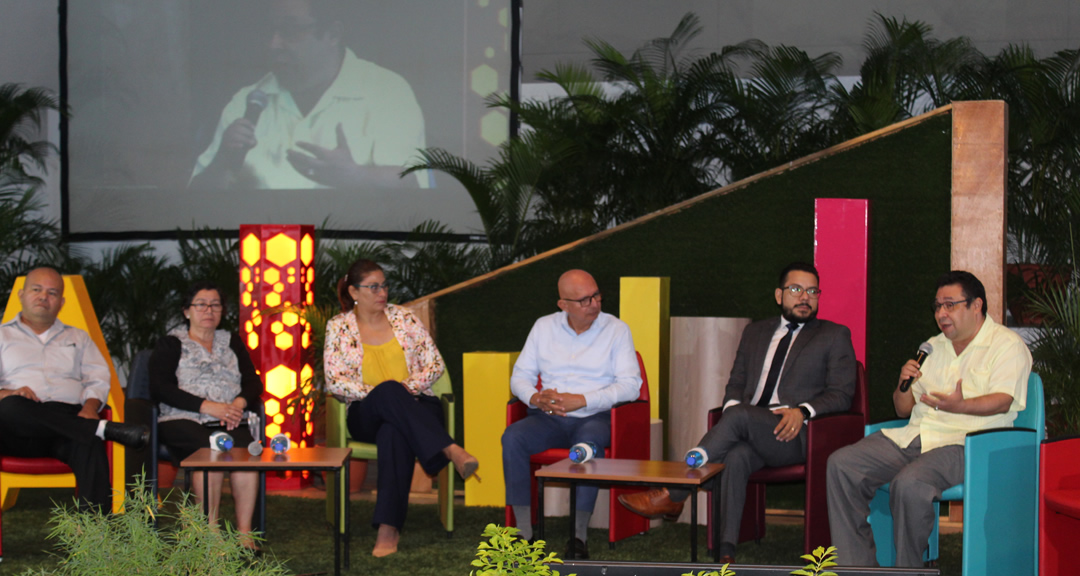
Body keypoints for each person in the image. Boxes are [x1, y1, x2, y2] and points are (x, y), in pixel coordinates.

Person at [618, 262, 856, 563]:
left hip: (795, 434)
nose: (804, 297)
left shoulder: (834, 335)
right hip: (750, 425)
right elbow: (736, 384)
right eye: (796, 289)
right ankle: (726, 551)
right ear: (779, 295)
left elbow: (842, 394)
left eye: (812, 291)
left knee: (741, 416)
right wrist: (732, 412)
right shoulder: (755, 332)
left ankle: (676, 493)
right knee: (736, 455)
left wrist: (802, 411)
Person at [827, 270, 1032, 567]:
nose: (941, 313)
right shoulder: (933, 346)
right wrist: (903, 382)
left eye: (950, 304)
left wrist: (961, 407)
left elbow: (1003, 401)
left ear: (976, 305)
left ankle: (909, 571)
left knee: (909, 484)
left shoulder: (1007, 345)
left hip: (967, 443)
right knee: (842, 464)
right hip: (915, 436)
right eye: (937, 306)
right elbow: (902, 409)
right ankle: (857, 569)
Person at [324, 259, 478, 558]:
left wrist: (402, 392)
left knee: (393, 430)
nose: (382, 292)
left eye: (384, 285)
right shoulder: (338, 326)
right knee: (388, 392)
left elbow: (434, 365)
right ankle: (449, 449)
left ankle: (388, 528)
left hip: (418, 405)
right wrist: (382, 394)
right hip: (364, 412)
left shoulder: (405, 318)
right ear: (354, 292)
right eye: (373, 287)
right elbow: (335, 381)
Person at [189, 0, 429, 191]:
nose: (274, 44)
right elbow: (195, 204)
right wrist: (222, 162)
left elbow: (412, 187)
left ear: (333, 34)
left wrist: (354, 176)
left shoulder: (386, 91)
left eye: (289, 30)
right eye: (270, 30)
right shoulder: (247, 101)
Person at [502, 269, 642, 560]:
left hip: (596, 417)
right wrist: (534, 397)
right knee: (513, 437)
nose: (594, 304)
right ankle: (524, 535)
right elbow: (520, 376)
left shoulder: (617, 330)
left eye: (596, 295)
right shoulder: (543, 327)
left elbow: (631, 386)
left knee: (587, 446)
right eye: (584, 300)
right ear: (562, 304)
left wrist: (583, 400)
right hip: (548, 417)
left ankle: (578, 537)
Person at [0, 267, 148, 511]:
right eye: (36, 290)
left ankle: (95, 539)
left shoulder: (78, 337)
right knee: (10, 407)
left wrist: (91, 407)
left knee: (88, 441)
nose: (43, 297)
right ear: (21, 295)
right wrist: (9, 394)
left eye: (52, 292)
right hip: (17, 428)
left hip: (67, 425)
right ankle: (102, 429)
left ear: (61, 302)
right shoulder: (3, 336)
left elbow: (98, 378)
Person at [149, 282, 263, 549]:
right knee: (208, 452)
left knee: (246, 453)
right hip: (181, 418)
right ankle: (210, 533)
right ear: (187, 311)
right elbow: (161, 387)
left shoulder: (232, 341)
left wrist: (238, 402)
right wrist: (207, 406)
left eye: (215, 304)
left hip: (229, 418)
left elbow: (253, 382)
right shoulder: (171, 343)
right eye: (201, 304)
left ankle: (245, 534)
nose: (208, 310)